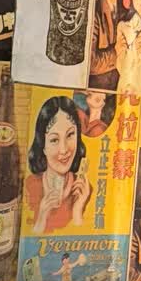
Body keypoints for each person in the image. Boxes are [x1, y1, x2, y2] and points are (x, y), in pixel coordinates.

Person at [25, 95, 90, 234]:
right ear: (43, 145)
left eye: (70, 135)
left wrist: (77, 212)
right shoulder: (29, 188)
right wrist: (42, 216)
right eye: (54, 140)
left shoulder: (84, 191)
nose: (64, 150)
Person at [88, 0, 126, 90]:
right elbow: (91, 63)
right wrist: (116, 53)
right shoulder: (94, 13)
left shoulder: (125, 14)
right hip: (96, 91)